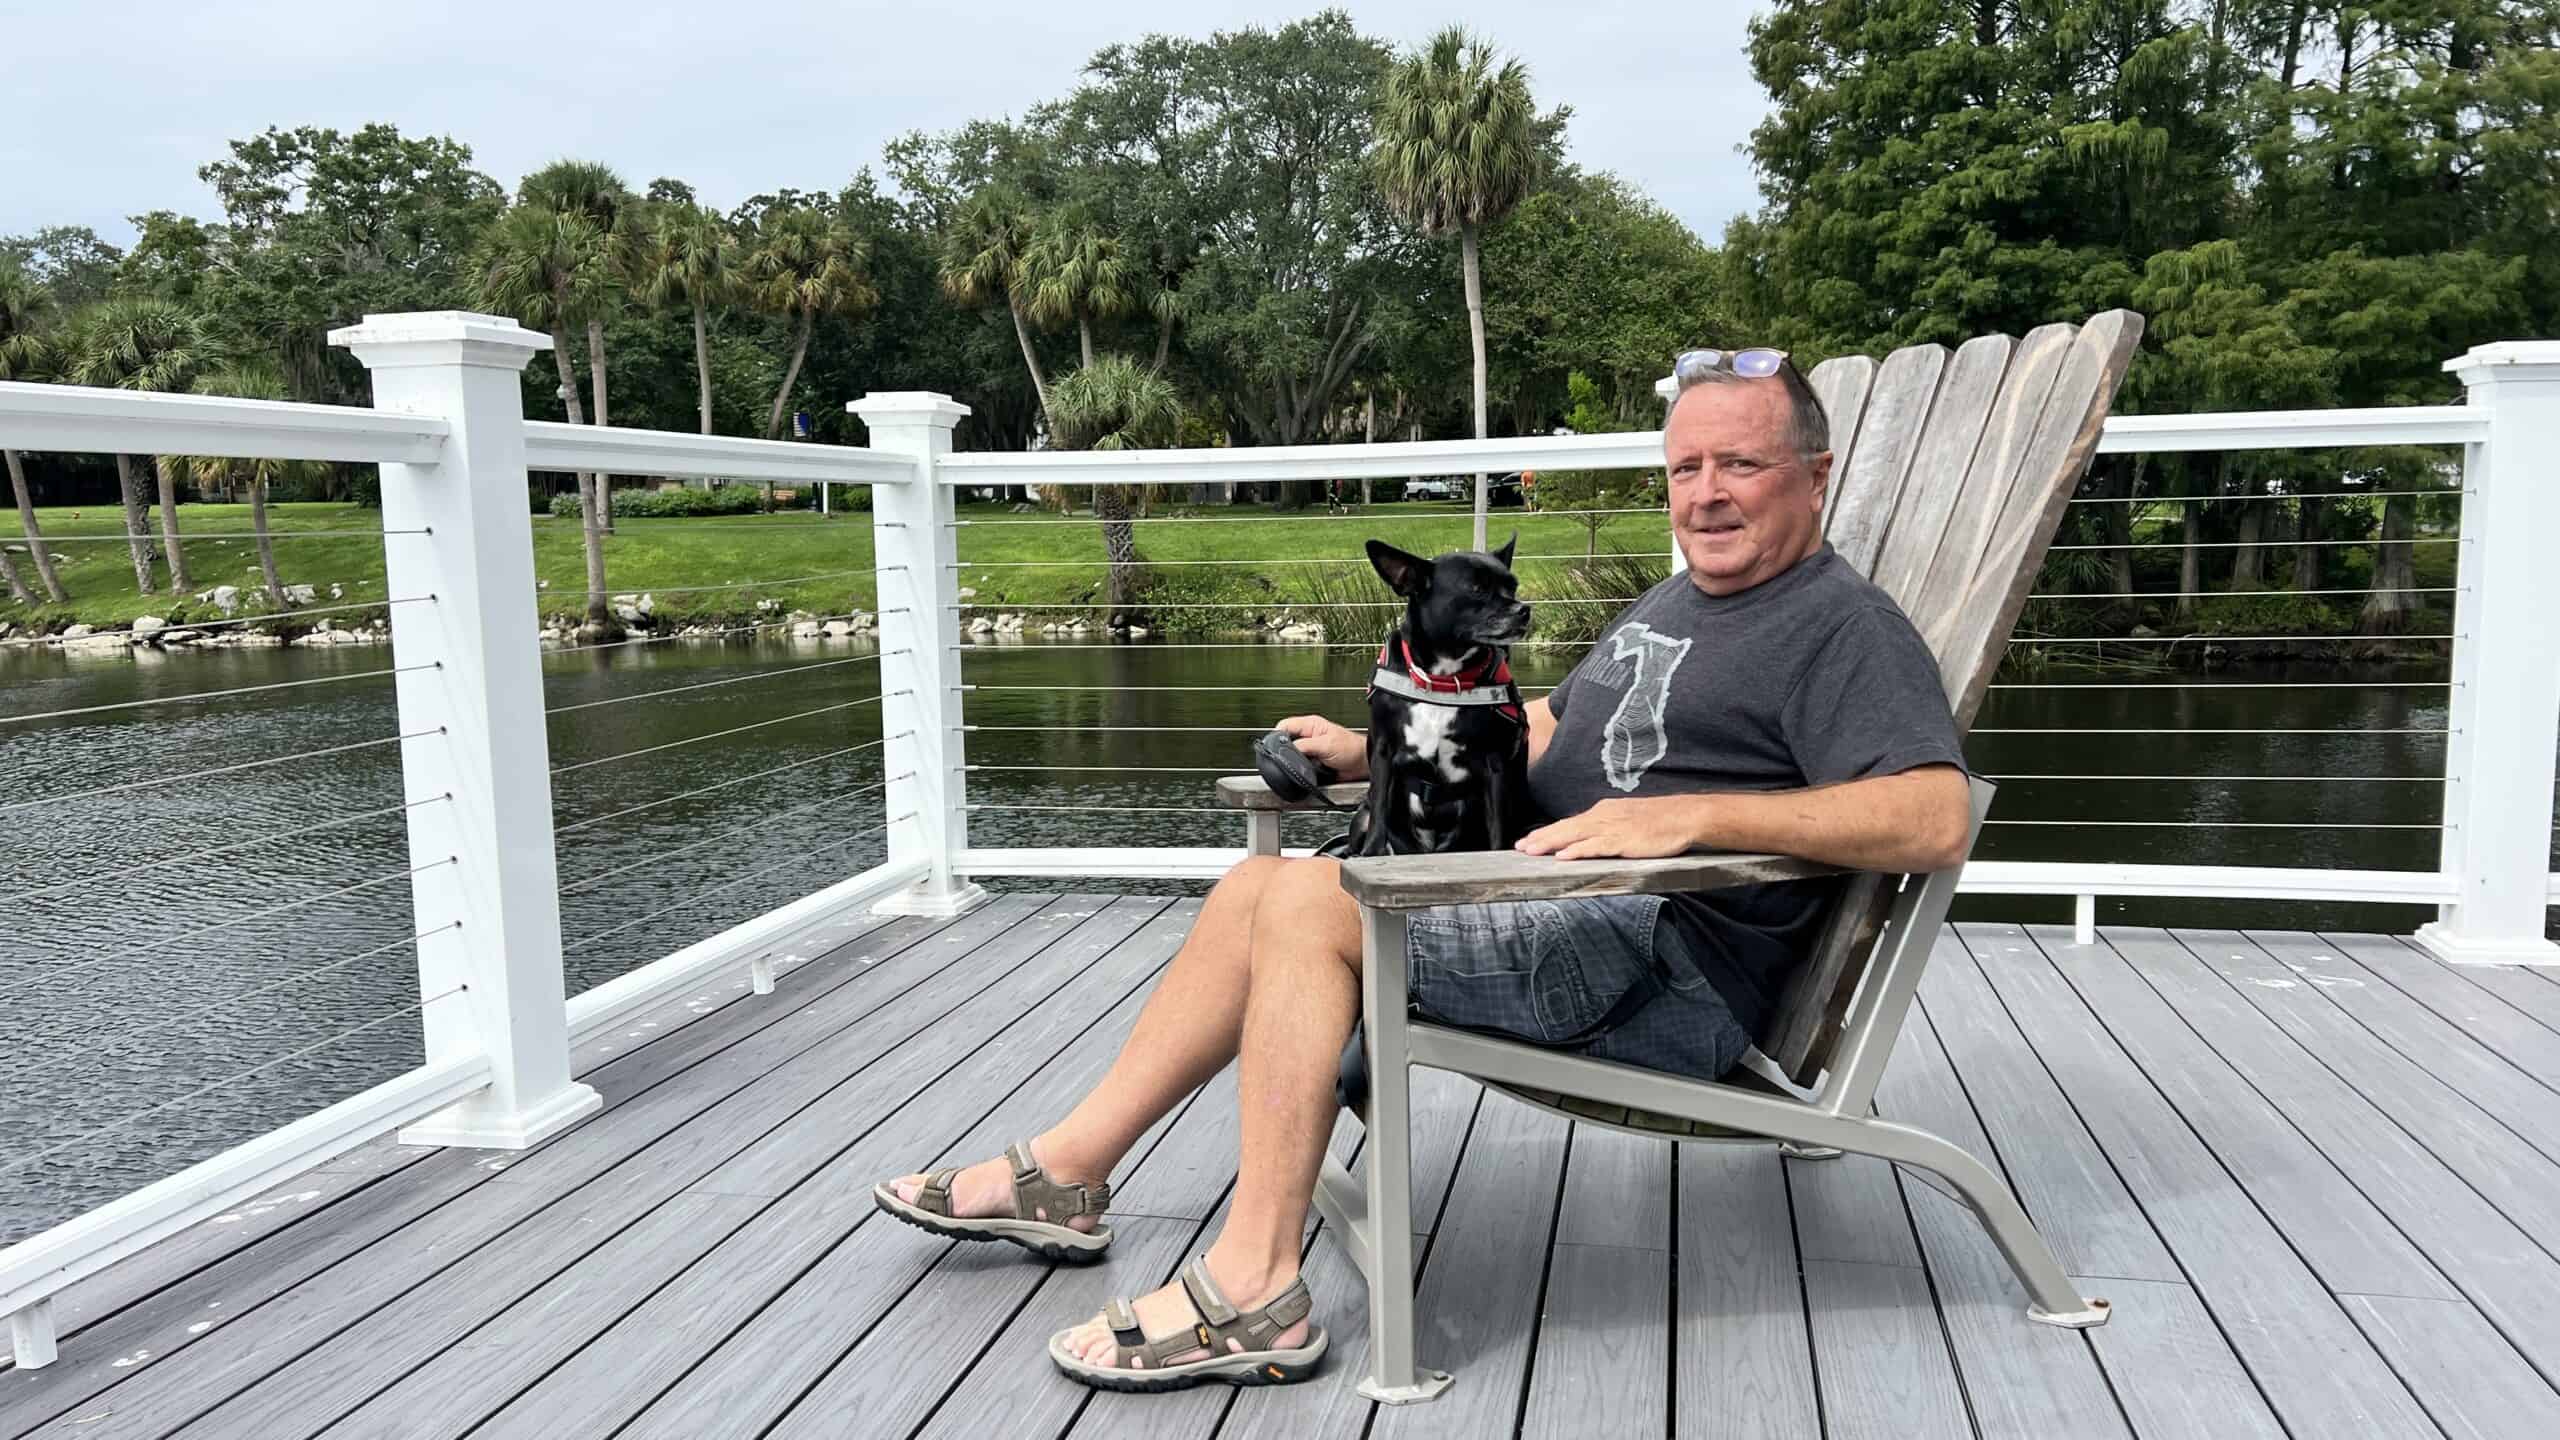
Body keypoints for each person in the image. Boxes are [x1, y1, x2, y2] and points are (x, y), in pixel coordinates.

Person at [877, 347, 1974, 1390]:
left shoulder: (1841, 628)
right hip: (1565, 907)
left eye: (1740, 464)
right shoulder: (1681, 599)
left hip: (1659, 959)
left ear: (1814, 478)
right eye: (1685, 467)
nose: (1704, 494)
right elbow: (1544, 722)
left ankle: (1256, 1287)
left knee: (1313, 904)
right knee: (1256, 886)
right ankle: (1066, 1173)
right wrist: (1376, 751)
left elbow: (1933, 816)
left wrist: (1687, 818)